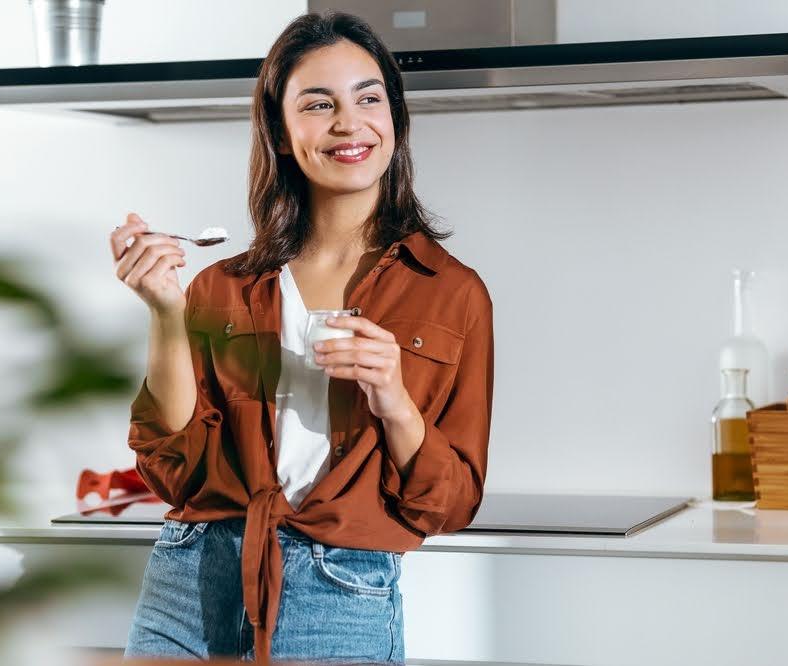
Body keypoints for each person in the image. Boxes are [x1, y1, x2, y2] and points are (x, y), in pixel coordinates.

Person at [111, 10, 494, 665]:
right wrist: (166, 316)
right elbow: (174, 472)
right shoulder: (221, 288)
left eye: (369, 98)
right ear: (283, 135)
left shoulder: (450, 292)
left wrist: (393, 396)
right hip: (190, 582)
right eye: (319, 104)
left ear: (395, 123)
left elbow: (450, 503)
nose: (349, 122)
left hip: (340, 591)